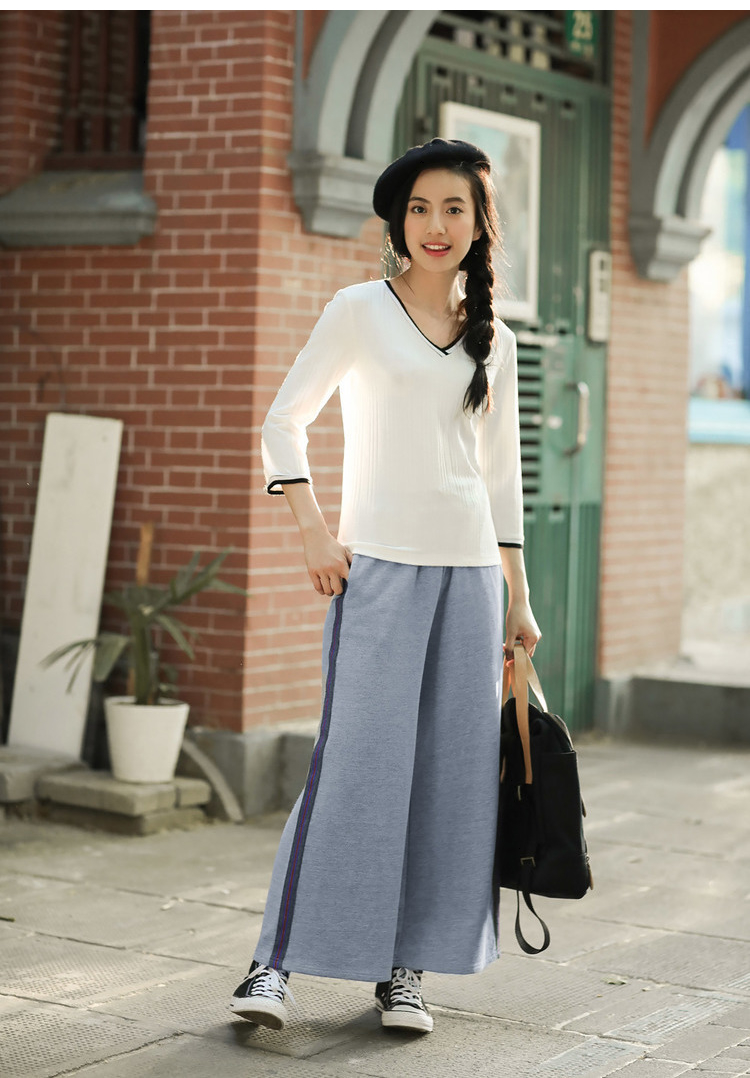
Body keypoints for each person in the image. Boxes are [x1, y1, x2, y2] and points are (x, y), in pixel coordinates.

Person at [229, 138, 541, 1035]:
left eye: (454, 208)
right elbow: (283, 423)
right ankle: (273, 964)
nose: (435, 225)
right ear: (398, 222)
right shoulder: (359, 309)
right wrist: (313, 531)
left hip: (471, 580)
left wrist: (519, 598)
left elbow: (501, 480)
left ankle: (405, 969)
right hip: (378, 574)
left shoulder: (496, 339)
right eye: (419, 208)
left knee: (449, 781)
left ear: (480, 224)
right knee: (353, 769)